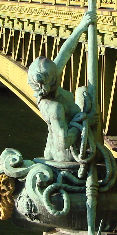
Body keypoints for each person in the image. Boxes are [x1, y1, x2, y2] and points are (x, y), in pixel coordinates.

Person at [27, 11, 96, 162]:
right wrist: (84, 122)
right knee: (85, 97)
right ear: (53, 81)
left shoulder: (47, 79)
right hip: (65, 155)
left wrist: (81, 27)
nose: (59, 72)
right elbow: (64, 142)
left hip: (53, 146)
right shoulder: (54, 107)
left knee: (81, 91)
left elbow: (65, 52)